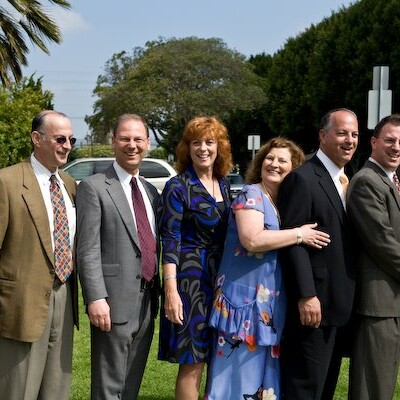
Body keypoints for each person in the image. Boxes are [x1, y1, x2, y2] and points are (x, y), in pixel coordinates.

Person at [205, 137, 331, 400]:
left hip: (267, 310)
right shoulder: (251, 194)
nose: (273, 164)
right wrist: (298, 234)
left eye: (282, 161)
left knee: (263, 386)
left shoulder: (278, 203)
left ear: (294, 168)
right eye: (269, 158)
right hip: (242, 307)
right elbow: (252, 240)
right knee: (236, 381)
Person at [76, 114, 160, 400]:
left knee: (131, 382)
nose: (132, 145)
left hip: (147, 301)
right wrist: (95, 298)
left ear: (148, 143)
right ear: (113, 142)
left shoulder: (150, 191)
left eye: (138, 139)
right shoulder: (94, 187)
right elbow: (86, 249)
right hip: (112, 301)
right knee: (109, 385)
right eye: (125, 138)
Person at [277, 108, 359, 400]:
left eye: (354, 134)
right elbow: (293, 241)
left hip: (338, 306)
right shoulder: (303, 178)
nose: (349, 140)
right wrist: (306, 295)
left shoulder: (345, 180)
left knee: (325, 388)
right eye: (341, 133)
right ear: (323, 136)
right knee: (304, 389)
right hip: (314, 306)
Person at [0, 110, 79, 400]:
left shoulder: (69, 185)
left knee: (57, 390)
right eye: (60, 139)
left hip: (64, 298)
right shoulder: (6, 182)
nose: (67, 145)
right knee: (18, 391)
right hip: (20, 306)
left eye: (71, 139)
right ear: (36, 138)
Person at [158, 116, 232, 400]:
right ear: (186, 148)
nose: (203, 148)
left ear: (219, 147)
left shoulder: (224, 184)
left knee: (217, 357)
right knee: (193, 361)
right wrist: (172, 291)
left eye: (209, 142)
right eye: (196, 142)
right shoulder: (178, 186)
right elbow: (170, 239)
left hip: (220, 282)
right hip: (189, 285)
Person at [347, 114, 400, 400]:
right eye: (390, 140)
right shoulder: (367, 181)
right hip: (377, 305)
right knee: (373, 389)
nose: (396, 147)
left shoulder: (391, 180)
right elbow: (383, 243)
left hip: (393, 302)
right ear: (374, 142)